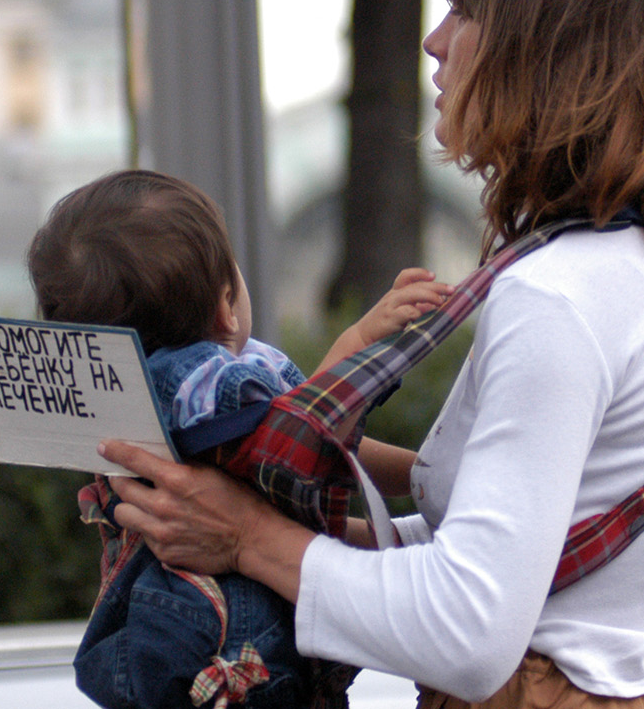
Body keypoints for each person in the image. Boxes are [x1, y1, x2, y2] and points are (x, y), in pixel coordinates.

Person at [97, 0, 644, 709]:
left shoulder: (561, 300)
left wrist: (247, 538)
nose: (435, 41)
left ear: (550, 44)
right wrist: (240, 526)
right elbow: (502, 560)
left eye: (467, 11)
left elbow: (468, 631)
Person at [27, 168, 450, 708]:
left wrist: (424, 475)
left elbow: (335, 454)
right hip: (235, 643)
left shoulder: (134, 394)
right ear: (226, 304)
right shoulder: (195, 382)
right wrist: (358, 341)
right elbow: (302, 440)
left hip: (182, 638)